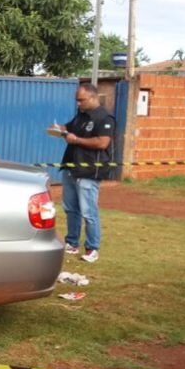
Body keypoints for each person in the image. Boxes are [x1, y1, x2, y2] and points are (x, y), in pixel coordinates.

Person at [53, 83, 115, 263]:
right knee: (71, 209)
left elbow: (102, 143)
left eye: (81, 100)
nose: (78, 104)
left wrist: (76, 140)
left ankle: (92, 248)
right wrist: (60, 129)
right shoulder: (80, 116)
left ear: (93, 97)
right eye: (77, 100)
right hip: (71, 168)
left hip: (88, 170)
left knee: (89, 212)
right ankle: (72, 243)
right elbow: (69, 128)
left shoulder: (104, 118)